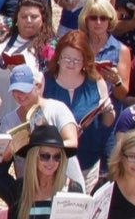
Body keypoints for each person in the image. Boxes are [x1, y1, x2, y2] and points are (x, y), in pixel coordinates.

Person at [1, 66, 83, 189]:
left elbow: (72, 142)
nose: (20, 95)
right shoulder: (9, 120)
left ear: (38, 87)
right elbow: (4, 157)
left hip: (65, 184)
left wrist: (44, 147)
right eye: (16, 90)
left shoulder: (57, 109)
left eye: (25, 89)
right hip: (31, 189)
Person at [44, 31, 115, 171]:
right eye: (67, 58)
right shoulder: (45, 81)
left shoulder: (96, 82)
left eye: (77, 60)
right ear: (58, 57)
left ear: (85, 61)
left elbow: (107, 123)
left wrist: (109, 110)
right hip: (52, 162)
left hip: (88, 158)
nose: (71, 63)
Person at [0, 0, 53, 118]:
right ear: (16, 19)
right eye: (24, 17)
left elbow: (47, 84)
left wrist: (21, 73)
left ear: (43, 19)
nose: (28, 20)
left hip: (23, 117)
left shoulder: (50, 47)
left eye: (34, 17)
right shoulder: (2, 32)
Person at [76, 0, 132, 102]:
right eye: (93, 18)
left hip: (108, 106)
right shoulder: (77, 46)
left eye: (103, 18)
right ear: (85, 20)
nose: (98, 22)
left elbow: (122, 95)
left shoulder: (121, 50)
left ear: (109, 21)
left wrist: (116, 81)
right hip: (80, 103)